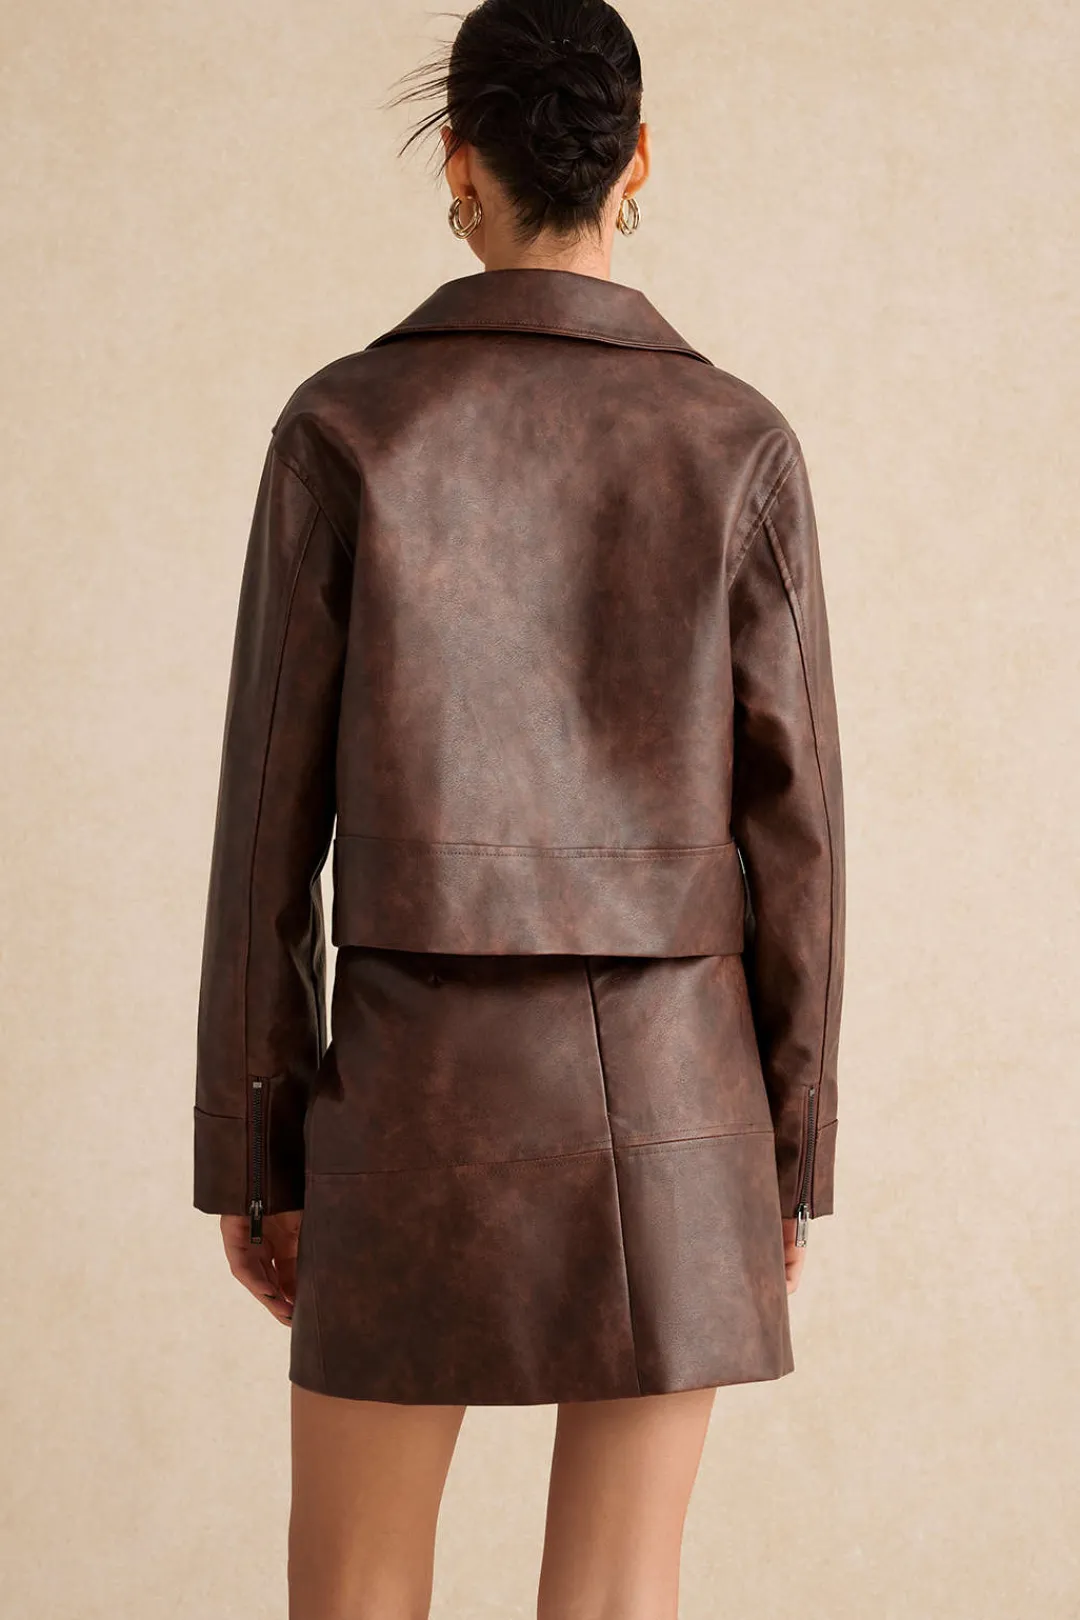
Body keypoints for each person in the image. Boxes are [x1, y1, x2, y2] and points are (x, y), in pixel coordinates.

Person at [192, 1, 846, 1615]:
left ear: (456, 164)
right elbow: (801, 846)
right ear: (639, 162)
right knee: (620, 1592)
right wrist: (789, 1153)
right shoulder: (738, 441)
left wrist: (255, 1149)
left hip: (410, 1085)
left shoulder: (346, 425)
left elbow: (266, 829)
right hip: (678, 1095)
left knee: (354, 1588)